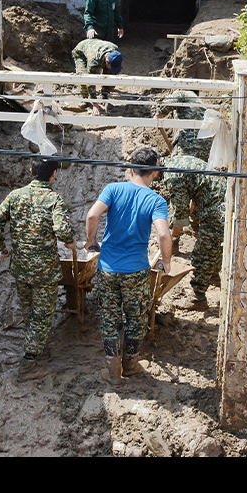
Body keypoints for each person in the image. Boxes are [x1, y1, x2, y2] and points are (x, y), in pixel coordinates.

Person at [85, 148, 173, 385]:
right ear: (154, 173)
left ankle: (113, 373)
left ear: (131, 169)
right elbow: (164, 235)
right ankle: (131, 365)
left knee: (109, 319)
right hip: (136, 271)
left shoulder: (113, 189)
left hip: (108, 268)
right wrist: (166, 263)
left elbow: (92, 216)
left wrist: (91, 242)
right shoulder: (156, 200)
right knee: (135, 319)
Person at [0, 157, 76, 382]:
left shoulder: (14, 196)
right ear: (54, 174)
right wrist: (70, 242)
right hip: (44, 271)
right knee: (43, 315)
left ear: (30, 171)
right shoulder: (54, 199)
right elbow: (64, 231)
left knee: (28, 310)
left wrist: (0, 249)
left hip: (21, 267)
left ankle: (36, 345)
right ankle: (28, 364)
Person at [161, 154, 226, 311]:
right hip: (221, 197)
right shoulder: (179, 160)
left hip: (215, 205)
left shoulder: (172, 176)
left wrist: (172, 237)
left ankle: (198, 298)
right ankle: (213, 275)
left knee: (203, 251)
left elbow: (180, 216)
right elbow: (195, 189)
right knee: (213, 244)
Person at [154, 90, 211, 162]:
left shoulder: (183, 93)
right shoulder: (201, 105)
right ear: (198, 93)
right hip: (206, 149)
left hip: (187, 145)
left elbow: (175, 98)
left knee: (180, 169)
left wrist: (159, 113)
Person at [72, 37, 122, 116]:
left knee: (112, 75)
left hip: (97, 50)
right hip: (81, 52)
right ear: (107, 62)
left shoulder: (115, 51)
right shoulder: (94, 61)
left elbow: (110, 71)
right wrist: (95, 104)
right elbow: (90, 81)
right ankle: (84, 98)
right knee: (83, 77)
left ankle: (104, 95)